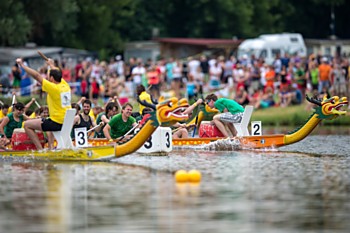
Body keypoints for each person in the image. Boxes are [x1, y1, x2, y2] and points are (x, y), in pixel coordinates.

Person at [16, 57, 71, 150]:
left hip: (56, 122)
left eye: (48, 76)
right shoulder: (65, 85)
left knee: (27, 125)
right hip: (67, 121)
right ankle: (52, 147)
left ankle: (40, 150)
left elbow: (37, 76)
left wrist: (22, 65)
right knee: (44, 120)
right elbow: (57, 71)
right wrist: (51, 64)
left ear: (52, 78)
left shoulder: (54, 88)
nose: (47, 77)